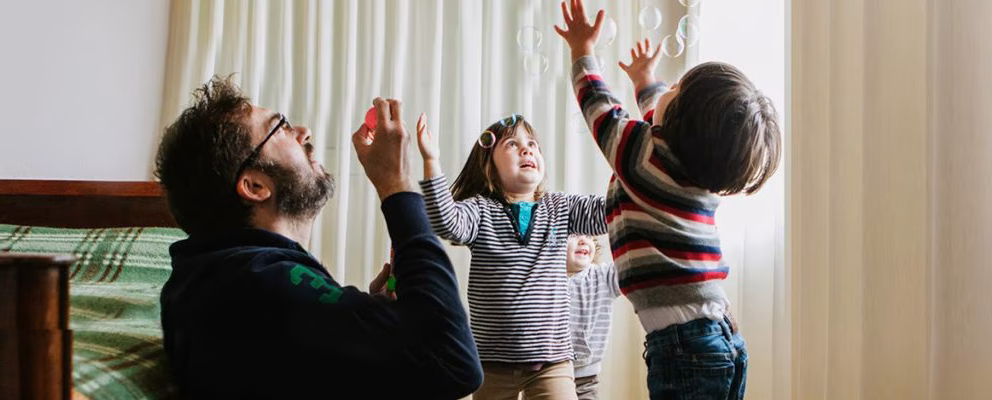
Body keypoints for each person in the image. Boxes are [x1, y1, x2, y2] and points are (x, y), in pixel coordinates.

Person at [154, 76, 483, 399]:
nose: (304, 132)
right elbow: (454, 363)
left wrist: (371, 319)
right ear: (255, 186)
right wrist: (396, 184)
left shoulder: (217, 279)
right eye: (281, 127)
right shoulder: (261, 285)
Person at [555, 0, 782, 398]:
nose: (667, 88)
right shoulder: (692, 173)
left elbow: (600, 109)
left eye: (673, 88)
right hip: (719, 336)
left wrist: (582, 51)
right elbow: (662, 120)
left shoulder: (643, 158)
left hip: (685, 347)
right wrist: (646, 80)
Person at [415, 113, 607, 399]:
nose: (526, 149)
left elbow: (608, 213)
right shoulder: (480, 210)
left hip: (552, 362)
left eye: (532, 144)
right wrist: (431, 161)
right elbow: (446, 221)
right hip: (491, 363)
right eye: (512, 145)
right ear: (489, 167)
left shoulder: (560, 207)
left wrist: (628, 169)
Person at [564, 235, 620, 400]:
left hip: (585, 378)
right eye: (573, 235)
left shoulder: (602, 275)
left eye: (588, 236)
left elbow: (628, 266)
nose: (583, 240)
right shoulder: (545, 277)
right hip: (543, 374)